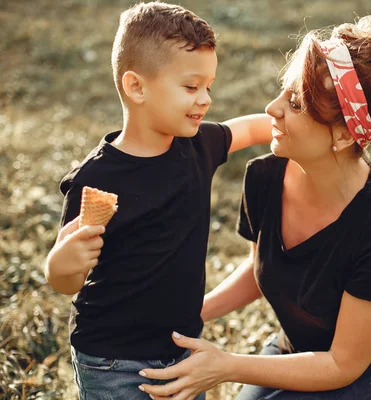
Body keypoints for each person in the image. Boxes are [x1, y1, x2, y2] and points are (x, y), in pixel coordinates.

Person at [139, 11, 371, 400]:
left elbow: (342, 364)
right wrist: (191, 311)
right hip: (302, 351)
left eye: (297, 103)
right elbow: (261, 269)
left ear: (342, 134)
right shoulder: (265, 177)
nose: (272, 107)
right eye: (283, 91)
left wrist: (227, 365)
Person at [44, 2, 272, 399]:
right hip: (113, 360)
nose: (205, 100)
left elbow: (250, 128)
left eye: (208, 87)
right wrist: (59, 266)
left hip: (181, 349)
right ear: (136, 87)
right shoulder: (97, 178)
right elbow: (67, 279)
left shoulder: (199, 146)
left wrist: (301, 124)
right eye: (190, 87)